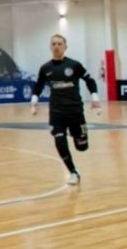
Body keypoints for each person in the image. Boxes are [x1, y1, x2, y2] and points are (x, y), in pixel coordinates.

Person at [30, 34, 100, 185]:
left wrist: (94, 97)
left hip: (75, 110)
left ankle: (77, 135)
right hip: (56, 112)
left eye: (59, 44)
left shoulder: (74, 65)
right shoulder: (45, 68)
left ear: (65, 47)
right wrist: (34, 99)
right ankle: (73, 172)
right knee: (59, 141)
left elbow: (89, 80)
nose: (56, 46)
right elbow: (39, 85)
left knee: (82, 147)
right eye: (53, 44)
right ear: (50, 47)